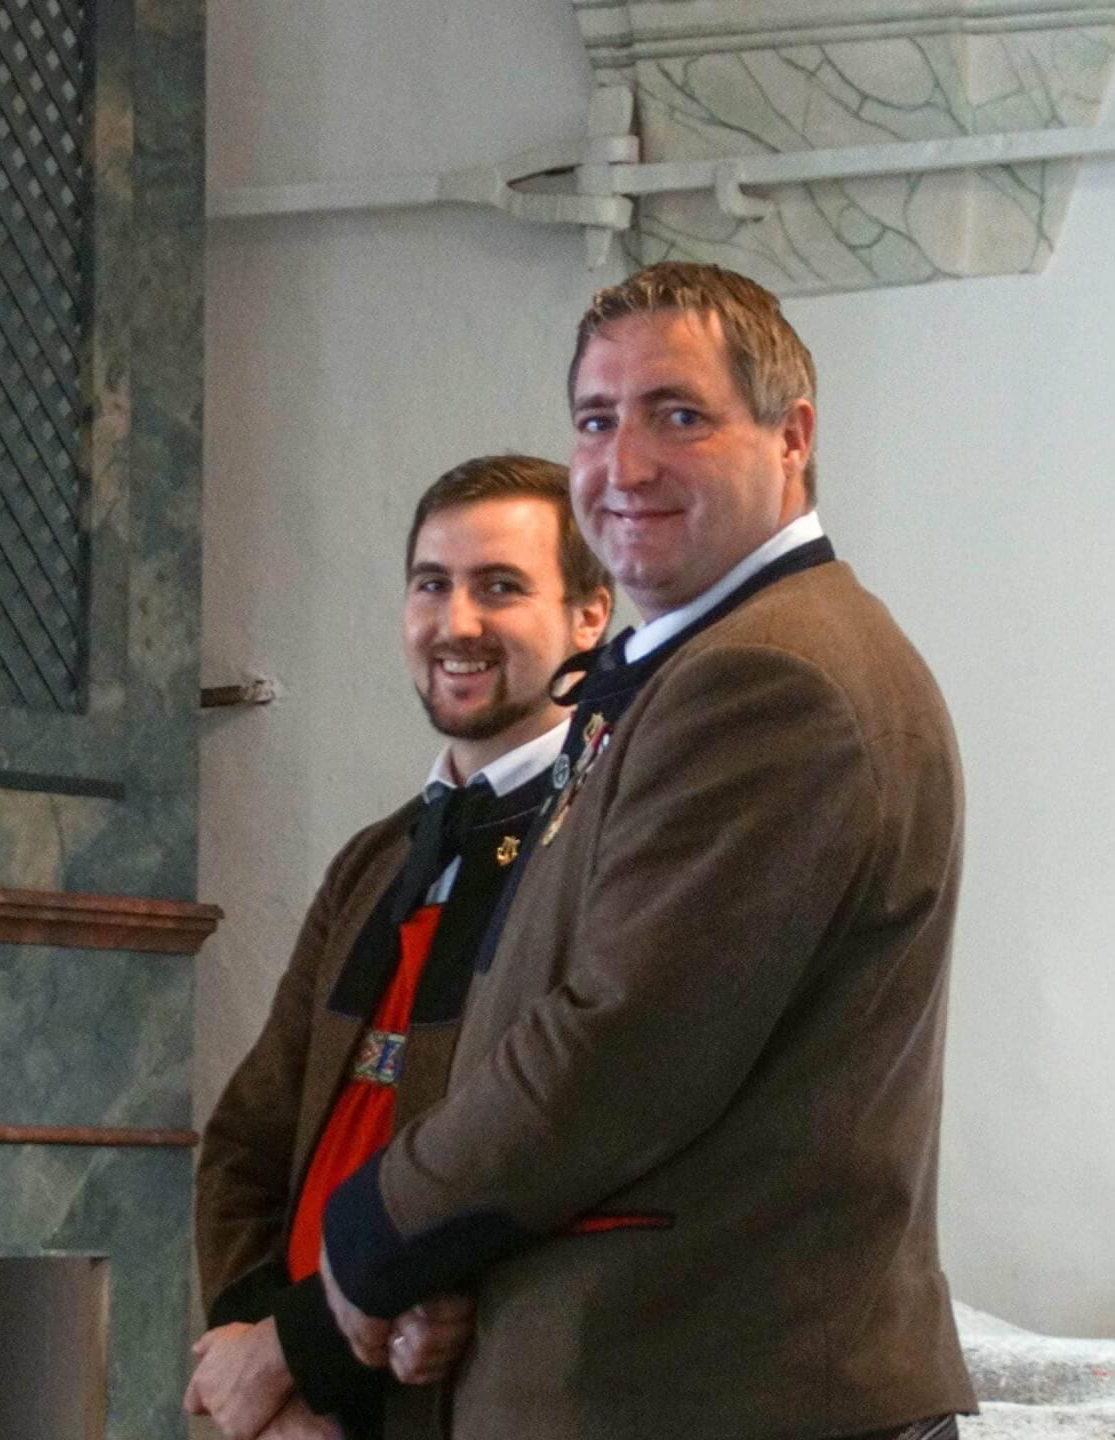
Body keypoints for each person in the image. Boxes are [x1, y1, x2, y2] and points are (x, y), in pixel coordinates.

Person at [319, 263, 978, 1440]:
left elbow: (617, 1055)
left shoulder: (769, 676)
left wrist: (377, 1235)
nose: (622, 466)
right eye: (595, 420)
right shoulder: (698, 663)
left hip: (720, 1394)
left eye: (678, 415)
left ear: (792, 436)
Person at [187, 456, 612, 1440]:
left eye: (499, 586)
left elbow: (549, 1149)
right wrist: (264, 1361)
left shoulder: (609, 850)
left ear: (590, 616)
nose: (456, 622)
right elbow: (249, 1137)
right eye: (432, 584)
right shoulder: (376, 860)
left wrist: (301, 1349)